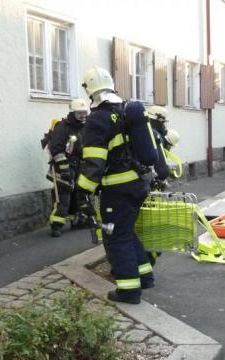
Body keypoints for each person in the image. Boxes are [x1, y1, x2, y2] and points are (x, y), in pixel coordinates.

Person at [76, 67, 158, 304]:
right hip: (139, 184)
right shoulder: (124, 110)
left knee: (116, 238)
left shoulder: (97, 119)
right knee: (126, 231)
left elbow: (94, 162)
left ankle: (129, 290)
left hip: (117, 190)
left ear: (89, 91)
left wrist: (83, 192)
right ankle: (145, 276)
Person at [47, 99, 88, 237]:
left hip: (79, 167)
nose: (83, 116)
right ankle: (56, 225)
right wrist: (64, 169)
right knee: (63, 197)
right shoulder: (62, 127)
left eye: (84, 113)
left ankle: (76, 221)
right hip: (63, 167)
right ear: (72, 113)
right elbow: (56, 149)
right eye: (79, 113)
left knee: (78, 195)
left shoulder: (84, 127)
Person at [145, 105, 172, 191]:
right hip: (148, 183)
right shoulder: (155, 135)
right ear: (157, 120)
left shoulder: (139, 131)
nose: (164, 126)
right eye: (162, 122)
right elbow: (162, 171)